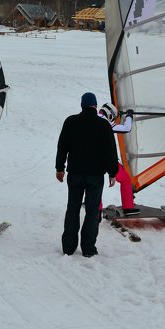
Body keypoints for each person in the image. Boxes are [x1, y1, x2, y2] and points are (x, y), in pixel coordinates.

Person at [55, 92, 118, 257]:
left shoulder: (71, 122)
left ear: (81, 105)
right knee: (92, 211)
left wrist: (59, 168)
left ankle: (68, 248)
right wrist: (113, 172)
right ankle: (88, 249)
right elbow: (110, 151)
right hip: (95, 177)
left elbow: (62, 146)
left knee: (73, 209)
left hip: (75, 174)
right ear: (95, 106)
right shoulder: (103, 125)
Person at [98, 102, 140, 216]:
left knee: (95, 183)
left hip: (93, 160)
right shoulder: (106, 123)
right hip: (108, 160)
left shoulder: (92, 119)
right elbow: (126, 128)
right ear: (110, 114)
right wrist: (129, 116)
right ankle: (128, 208)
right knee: (125, 180)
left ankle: (96, 208)